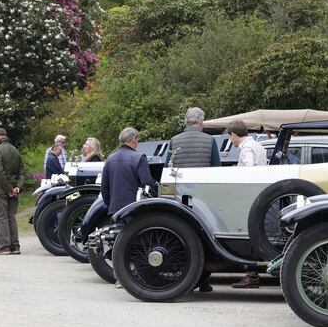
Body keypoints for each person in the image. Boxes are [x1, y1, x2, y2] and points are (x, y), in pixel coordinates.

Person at [168, 107, 220, 292]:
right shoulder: (210, 141)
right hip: (203, 196)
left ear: (186, 121)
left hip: (181, 195)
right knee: (205, 237)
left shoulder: (174, 141)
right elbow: (216, 169)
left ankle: (182, 278)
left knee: (182, 234)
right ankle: (203, 281)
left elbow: (168, 168)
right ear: (201, 122)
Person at [226, 119, 267, 289]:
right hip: (261, 196)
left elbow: (249, 172)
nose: (230, 141)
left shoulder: (247, 149)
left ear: (234, 135)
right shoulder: (258, 145)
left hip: (249, 197)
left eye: (230, 137)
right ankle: (252, 274)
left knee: (249, 236)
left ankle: (252, 275)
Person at [100, 127, 156, 216]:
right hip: (134, 210)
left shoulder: (110, 159)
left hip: (114, 211)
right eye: (138, 139)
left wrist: (111, 205)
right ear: (134, 139)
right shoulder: (140, 158)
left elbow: (104, 189)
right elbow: (147, 183)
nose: (138, 142)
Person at [0, 127, 25, 255]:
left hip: (1, 190)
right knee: (11, 217)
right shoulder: (15, 150)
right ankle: (15, 246)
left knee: (1, 217)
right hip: (14, 190)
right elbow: (22, 172)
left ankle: (4, 246)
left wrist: (8, 189)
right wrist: (17, 187)